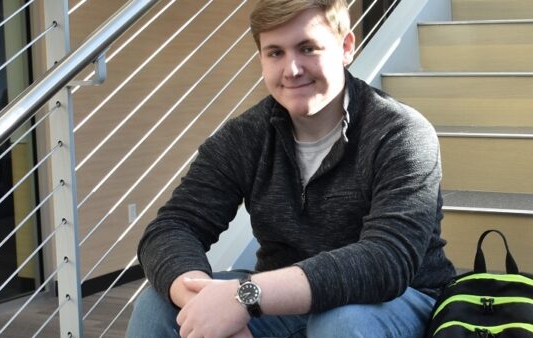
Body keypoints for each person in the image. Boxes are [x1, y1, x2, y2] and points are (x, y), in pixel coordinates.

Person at [126, 0, 455, 337]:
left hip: (395, 303)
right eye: (275, 53)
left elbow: (386, 260)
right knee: (159, 305)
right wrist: (202, 303)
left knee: (341, 322)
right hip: (280, 305)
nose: (292, 69)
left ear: (346, 48)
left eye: (307, 48)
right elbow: (172, 227)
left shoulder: (399, 133)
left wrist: (245, 298)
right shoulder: (244, 137)